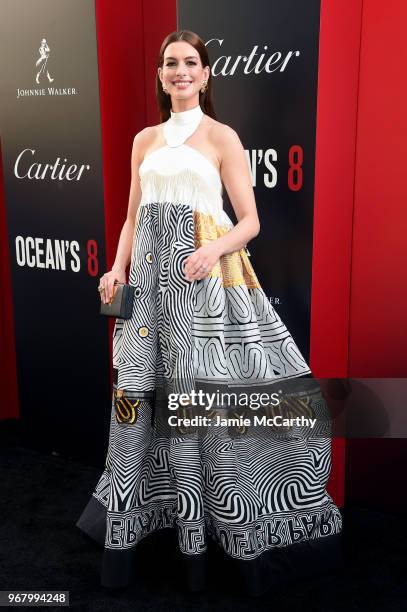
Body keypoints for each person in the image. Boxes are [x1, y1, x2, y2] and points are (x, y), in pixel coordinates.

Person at [76, 29, 343, 597]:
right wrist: (117, 269)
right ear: (161, 75)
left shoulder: (222, 136)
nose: (179, 71)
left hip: (203, 291)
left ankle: (205, 544)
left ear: (205, 74)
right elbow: (130, 218)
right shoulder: (144, 140)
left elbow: (250, 221)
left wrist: (212, 249)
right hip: (147, 291)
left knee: (198, 405)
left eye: (190, 63)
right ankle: (137, 533)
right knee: (137, 402)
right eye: (170, 63)